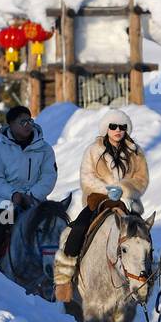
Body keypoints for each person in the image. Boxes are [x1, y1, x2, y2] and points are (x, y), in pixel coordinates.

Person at [52, 108, 149, 303]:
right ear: (106, 129)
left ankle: (144, 279)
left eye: (122, 127)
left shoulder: (135, 152)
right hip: (98, 201)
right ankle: (65, 280)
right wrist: (106, 190)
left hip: (127, 203)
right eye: (113, 126)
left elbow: (141, 179)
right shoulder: (93, 150)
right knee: (77, 230)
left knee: (143, 237)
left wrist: (124, 189)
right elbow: (86, 177)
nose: (118, 130)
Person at [0, 105, 57, 264]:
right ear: (11, 125)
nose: (28, 125)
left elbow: (49, 176)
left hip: (36, 202)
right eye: (23, 122)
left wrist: (32, 195)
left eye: (30, 121)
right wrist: (13, 194)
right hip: (6, 203)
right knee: (0, 225)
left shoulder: (44, 149)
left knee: (54, 226)